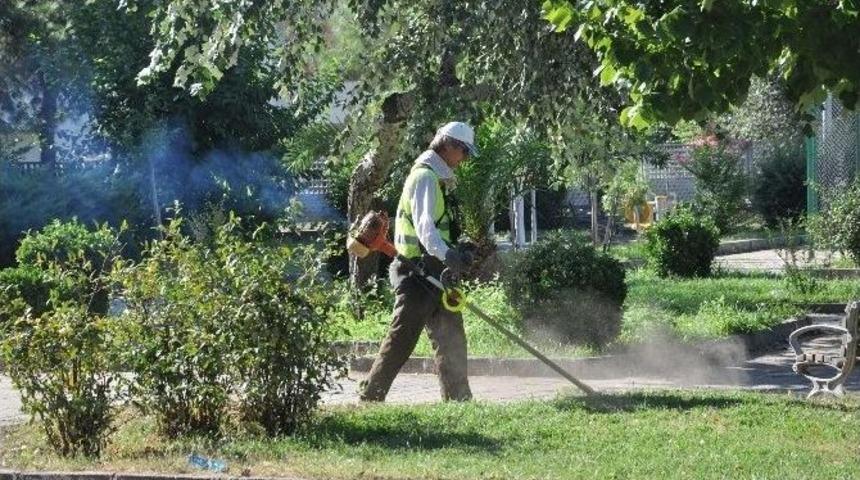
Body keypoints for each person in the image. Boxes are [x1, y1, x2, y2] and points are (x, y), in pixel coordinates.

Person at [358, 121, 478, 402]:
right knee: (402, 339)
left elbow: (439, 227)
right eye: (464, 152)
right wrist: (447, 254)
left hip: (435, 270)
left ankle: (459, 399)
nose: (465, 159)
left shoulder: (437, 178)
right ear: (448, 145)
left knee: (452, 339)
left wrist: (458, 249)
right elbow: (426, 228)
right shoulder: (425, 177)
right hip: (417, 272)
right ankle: (371, 396)